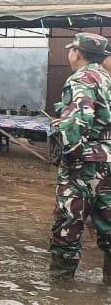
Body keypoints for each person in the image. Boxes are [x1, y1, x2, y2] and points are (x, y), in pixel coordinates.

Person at [49, 33, 111, 283]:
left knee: (67, 228)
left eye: (71, 50)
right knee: (108, 227)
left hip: (84, 166)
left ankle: (60, 292)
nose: (69, 54)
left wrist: (66, 148)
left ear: (78, 53)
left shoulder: (82, 78)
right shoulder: (107, 79)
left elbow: (78, 121)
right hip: (108, 163)